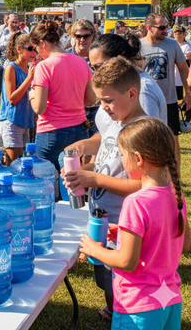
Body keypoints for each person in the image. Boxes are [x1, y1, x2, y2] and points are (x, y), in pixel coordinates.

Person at [63, 58, 156, 320]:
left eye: (108, 100)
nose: (103, 107)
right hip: (105, 220)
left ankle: (124, 316)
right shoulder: (116, 121)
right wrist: (85, 163)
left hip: (127, 225)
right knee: (106, 277)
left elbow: (144, 185)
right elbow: (107, 153)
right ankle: (114, 312)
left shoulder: (141, 131)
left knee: (122, 279)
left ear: (132, 93)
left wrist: (95, 180)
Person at [79, 117, 191, 328]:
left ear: (138, 158)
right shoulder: (176, 195)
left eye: (122, 155)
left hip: (138, 308)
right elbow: (183, 245)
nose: (121, 161)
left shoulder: (135, 202)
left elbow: (126, 262)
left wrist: (93, 249)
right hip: (170, 301)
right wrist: (124, 233)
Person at [29, 20, 96, 176]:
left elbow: (39, 108)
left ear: (42, 44)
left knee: (46, 180)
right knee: (73, 181)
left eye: (36, 48)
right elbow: (91, 99)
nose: (38, 53)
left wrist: (31, 95)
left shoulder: (44, 66)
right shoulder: (81, 61)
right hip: (79, 128)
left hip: (51, 131)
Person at [140, 13, 190, 168]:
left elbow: (183, 69)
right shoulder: (138, 46)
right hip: (143, 103)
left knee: (173, 141)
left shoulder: (172, 44)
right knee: (146, 141)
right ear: (149, 28)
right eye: (161, 27)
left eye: (166, 27)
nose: (165, 31)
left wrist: (188, 94)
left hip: (168, 101)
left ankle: (176, 182)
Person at [89, 33, 167, 123]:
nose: (96, 72)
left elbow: (147, 133)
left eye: (99, 66)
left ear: (120, 59)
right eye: (93, 68)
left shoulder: (143, 90)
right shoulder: (119, 84)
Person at [0, 32, 36, 163]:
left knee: (23, 164)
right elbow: (12, 99)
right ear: (19, 49)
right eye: (29, 48)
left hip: (25, 121)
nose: (33, 52)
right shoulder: (11, 67)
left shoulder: (29, 68)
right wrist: (29, 78)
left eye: (35, 48)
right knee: (13, 164)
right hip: (12, 121)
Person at [0, 14, 20, 104]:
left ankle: (10, 97)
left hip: (14, 61)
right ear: (7, 21)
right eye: (13, 22)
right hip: (1, 59)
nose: (15, 24)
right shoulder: (1, 31)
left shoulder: (20, 33)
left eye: (16, 22)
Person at [173, 25, 191, 124]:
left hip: (182, 78)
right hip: (173, 77)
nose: (177, 35)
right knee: (176, 99)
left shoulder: (186, 45)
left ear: (184, 34)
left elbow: (189, 55)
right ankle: (177, 117)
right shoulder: (173, 44)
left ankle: (187, 118)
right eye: (175, 33)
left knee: (185, 98)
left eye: (179, 33)